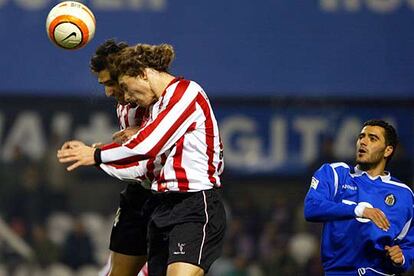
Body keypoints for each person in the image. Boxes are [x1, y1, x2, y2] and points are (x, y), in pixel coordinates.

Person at [57, 43, 226, 276]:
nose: (118, 94)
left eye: (115, 83)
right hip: (156, 200)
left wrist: (96, 155)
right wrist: (99, 150)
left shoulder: (184, 93)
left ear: (141, 74)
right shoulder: (147, 104)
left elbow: (146, 149)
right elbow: (142, 155)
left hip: (192, 202)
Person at [304, 119, 414, 275]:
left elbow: (409, 245)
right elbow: (311, 208)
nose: (363, 142)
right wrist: (359, 210)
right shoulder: (335, 174)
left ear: (388, 150)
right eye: (361, 136)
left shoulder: (405, 195)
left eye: (372, 138)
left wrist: (402, 258)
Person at [90, 39, 158, 276]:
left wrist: (100, 155)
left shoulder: (158, 97)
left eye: (111, 83)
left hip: (168, 195)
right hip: (137, 193)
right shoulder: (123, 104)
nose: (108, 92)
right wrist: (107, 153)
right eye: (103, 84)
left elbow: (159, 143)